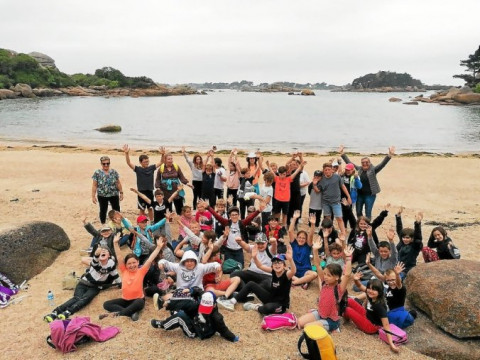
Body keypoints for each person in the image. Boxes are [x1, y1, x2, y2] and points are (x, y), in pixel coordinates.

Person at [44, 246, 119, 322]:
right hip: (83, 283)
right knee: (77, 298)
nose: (103, 252)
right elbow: (94, 262)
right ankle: (55, 312)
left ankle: (68, 312)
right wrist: (96, 254)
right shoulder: (96, 261)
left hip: (95, 287)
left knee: (85, 299)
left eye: (105, 251)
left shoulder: (111, 264)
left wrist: (120, 284)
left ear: (109, 255)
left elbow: (115, 274)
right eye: (101, 252)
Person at [217, 245, 296, 315]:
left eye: (279, 263)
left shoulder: (286, 274)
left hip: (280, 304)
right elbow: (260, 266)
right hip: (270, 298)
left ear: (284, 266)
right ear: (272, 266)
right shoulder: (273, 271)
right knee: (251, 284)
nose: (277, 265)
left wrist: (291, 260)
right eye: (275, 263)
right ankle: (232, 301)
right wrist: (254, 257)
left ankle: (255, 307)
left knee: (266, 309)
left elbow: (293, 271)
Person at [100, 234, 163, 321]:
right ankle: (131, 312)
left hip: (137, 300)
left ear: (138, 262)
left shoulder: (141, 271)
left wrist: (158, 247)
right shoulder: (124, 270)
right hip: (125, 300)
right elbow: (119, 256)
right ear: (125, 265)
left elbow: (150, 259)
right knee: (106, 304)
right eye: (129, 263)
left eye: (134, 262)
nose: (132, 265)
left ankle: (116, 314)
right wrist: (115, 243)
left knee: (140, 302)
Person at [297, 241, 354, 331]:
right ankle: (318, 318)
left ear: (336, 277)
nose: (325, 277)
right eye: (325, 274)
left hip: (331, 320)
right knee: (299, 322)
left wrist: (348, 258)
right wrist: (315, 250)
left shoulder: (339, 288)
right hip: (320, 313)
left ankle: (335, 327)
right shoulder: (324, 282)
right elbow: (318, 265)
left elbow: (347, 274)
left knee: (308, 328)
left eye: (329, 275)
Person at [151, 290, 239, 342]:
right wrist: (192, 290)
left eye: (207, 308)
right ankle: (164, 304)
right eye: (203, 306)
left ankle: (162, 324)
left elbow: (224, 330)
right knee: (188, 302)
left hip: (199, 331)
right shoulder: (202, 298)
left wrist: (233, 338)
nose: (204, 309)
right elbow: (198, 291)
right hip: (196, 319)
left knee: (180, 316)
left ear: (214, 305)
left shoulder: (217, 317)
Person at [345, 277, 400, 353]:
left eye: (374, 289)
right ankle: (345, 316)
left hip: (372, 326)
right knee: (349, 300)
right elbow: (360, 286)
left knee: (348, 310)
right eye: (369, 288)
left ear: (379, 292)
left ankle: (344, 317)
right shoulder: (371, 295)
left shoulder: (379, 306)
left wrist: (391, 344)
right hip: (367, 315)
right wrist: (355, 280)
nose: (371, 291)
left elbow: (386, 325)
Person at [339, 145, 395, 219]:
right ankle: (360, 225)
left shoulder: (373, 170)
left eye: (366, 162)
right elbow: (349, 163)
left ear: (369, 163)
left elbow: (382, 164)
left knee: (368, 212)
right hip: (359, 195)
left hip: (370, 195)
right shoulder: (359, 169)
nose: (365, 163)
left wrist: (389, 155)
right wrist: (342, 154)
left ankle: (367, 226)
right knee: (358, 211)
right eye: (363, 162)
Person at [202, 201, 265, 266]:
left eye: (236, 215)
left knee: (241, 267)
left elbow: (250, 218)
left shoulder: (242, 223)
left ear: (239, 215)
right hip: (228, 250)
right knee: (227, 269)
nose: (234, 216)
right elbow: (217, 216)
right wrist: (208, 207)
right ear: (229, 216)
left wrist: (258, 210)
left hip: (239, 250)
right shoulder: (226, 222)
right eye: (232, 215)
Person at [363, 261, 417, 329]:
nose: (391, 282)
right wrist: (369, 264)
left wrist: (397, 274)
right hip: (389, 310)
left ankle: (411, 315)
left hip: (397, 312)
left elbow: (399, 284)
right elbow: (378, 274)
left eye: (393, 280)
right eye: (388, 280)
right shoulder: (388, 285)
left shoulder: (400, 288)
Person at [123, 144, 162, 221]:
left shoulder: (151, 168)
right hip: (141, 192)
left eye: (147, 162)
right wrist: (127, 153)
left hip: (150, 191)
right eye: (144, 162)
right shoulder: (138, 169)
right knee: (142, 209)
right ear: (140, 162)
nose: (146, 163)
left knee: (150, 208)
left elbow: (161, 162)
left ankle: (151, 221)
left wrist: (163, 154)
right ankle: (142, 221)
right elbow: (128, 163)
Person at [318, 162, 351, 238]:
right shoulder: (321, 179)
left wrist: (348, 196)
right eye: (325, 170)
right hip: (326, 202)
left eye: (329, 169)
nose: (327, 171)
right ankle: (329, 232)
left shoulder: (337, 177)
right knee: (327, 219)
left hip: (336, 202)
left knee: (339, 218)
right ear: (323, 170)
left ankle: (343, 233)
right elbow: (318, 190)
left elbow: (343, 186)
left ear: (332, 170)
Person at [154, 149, 191, 214]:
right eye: (169, 159)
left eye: (171, 159)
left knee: (179, 206)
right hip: (165, 191)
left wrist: (187, 183)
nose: (171, 160)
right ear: (165, 160)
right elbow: (158, 179)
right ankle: (169, 219)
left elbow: (181, 176)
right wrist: (158, 187)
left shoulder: (176, 167)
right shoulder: (161, 168)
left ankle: (181, 217)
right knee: (168, 207)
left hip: (176, 190)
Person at [287, 211, 317, 289]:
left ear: (306, 240)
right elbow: (290, 231)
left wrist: (313, 224)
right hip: (294, 270)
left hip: (305, 271)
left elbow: (311, 235)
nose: (301, 239)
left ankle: (295, 282)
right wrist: (294, 218)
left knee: (314, 274)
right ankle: (303, 282)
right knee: (283, 270)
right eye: (299, 237)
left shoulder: (308, 246)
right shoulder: (294, 244)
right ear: (296, 238)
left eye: (303, 238)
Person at [272, 160, 304, 229]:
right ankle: (277, 226)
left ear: (286, 174)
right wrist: (268, 165)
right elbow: (272, 172)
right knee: (277, 213)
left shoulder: (288, 179)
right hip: (277, 199)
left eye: (284, 174)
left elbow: (296, 172)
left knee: (285, 214)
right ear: (279, 174)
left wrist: (301, 165)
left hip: (286, 200)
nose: (282, 176)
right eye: (281, 174)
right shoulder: (276, 178)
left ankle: (284, 226)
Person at [91, 156, 123, 224]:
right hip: (102, 195)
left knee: (116, 209)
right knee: (103, 210)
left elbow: (118, 183)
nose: (106, 165)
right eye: (104, 163)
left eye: (107, 163)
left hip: (114, 194)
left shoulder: (114, 172)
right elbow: (94, 185)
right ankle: (103, 224)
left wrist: (121, 193)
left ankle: (118, 223)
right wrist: (93, 196)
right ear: (101, 164)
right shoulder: (97, 173)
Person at [395, 208, 423, 274]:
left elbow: (418, 237)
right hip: (397, 268)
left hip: (408, 270)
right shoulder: (402, 243)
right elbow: (399, 230)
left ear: (412, 238)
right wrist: (398, 216)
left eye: (407, 238)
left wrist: (417, 224)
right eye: (403, 237)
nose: (405, 239)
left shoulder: (415, 246)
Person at [340, 163, 362, 230]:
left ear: (352, 170)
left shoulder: (355, 177)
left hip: (351, 198)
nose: (347, 171)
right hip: (342, 197)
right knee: (343, 212)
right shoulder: (343, 176)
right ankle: (344, 226)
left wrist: (356, 179)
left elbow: (360, 186)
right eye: (346, 170)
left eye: (349, 170)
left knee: (349, 212)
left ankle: (354, 226)